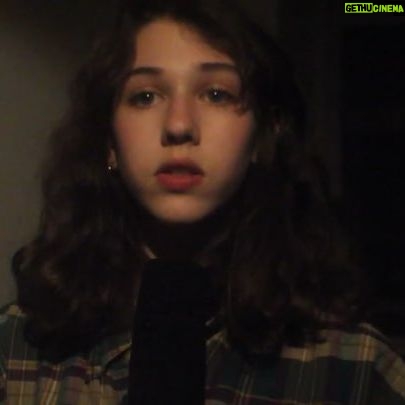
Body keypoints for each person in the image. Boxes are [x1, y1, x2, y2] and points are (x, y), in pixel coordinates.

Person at [1, 0, 405, 403]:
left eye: (215, 94)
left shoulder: (356, 369)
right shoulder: (15, 349)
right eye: (145, 96)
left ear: (262, 136)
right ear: (109, 141)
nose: (179, 125)